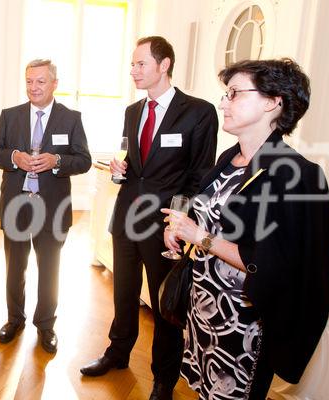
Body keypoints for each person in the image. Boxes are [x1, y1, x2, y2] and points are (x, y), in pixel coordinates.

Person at [162, 58, 329, 398]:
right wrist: (184, 226)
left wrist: (199, 237)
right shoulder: (230, 159)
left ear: (274, 102)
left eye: (235, 93)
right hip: (205, 309)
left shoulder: (295, 174)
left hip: (244, 327)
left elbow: (270, 264)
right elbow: (212, 214)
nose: (223, 102)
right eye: (225, 94)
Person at [80, 36, 218, 400]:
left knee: (164, 306)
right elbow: (132, 168)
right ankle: (117, 353)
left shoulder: (198, 112)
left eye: (140, 64)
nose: (133, 71)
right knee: (123, 293)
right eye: (132, 64)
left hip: (165, 226)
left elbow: (200, 175)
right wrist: (117, 170)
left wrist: (179, 223)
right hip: (126, 216)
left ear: (164, 65)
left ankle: (163, 378)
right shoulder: (132, 111)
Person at [0, 59, 91, 354]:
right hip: (17, 204)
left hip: (52, 208)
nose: (34, 87)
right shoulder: (10, 116)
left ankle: (46, 325)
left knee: (49, 269)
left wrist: (57, 161)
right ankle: (14, 319)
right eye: (29, 81)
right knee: (14, 268)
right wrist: (14, 156)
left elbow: (83, 160)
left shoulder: (71, 118)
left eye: (41, 81)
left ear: (55, 83)